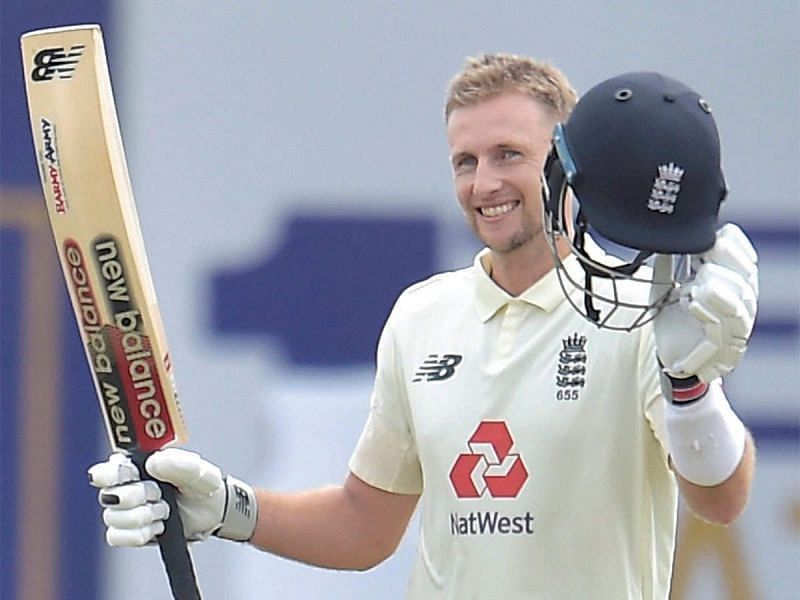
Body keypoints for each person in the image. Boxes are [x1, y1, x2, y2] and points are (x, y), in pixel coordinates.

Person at [89, 54, 758, 599]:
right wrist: (230, 509)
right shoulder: (422, 315)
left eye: (507, 154)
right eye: (465, 162)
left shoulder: (642, 313)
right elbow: (364, 526)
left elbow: (722, 497)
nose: (484, 182)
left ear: (562, 165)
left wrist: (691, 387)